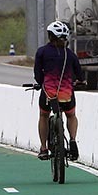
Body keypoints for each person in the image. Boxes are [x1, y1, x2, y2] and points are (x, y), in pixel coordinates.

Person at [33, 20, 85, 161]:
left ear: (50, 36)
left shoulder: (42, 52)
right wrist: (81, 81)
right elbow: (80, 76)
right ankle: (73, 140)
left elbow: (38, 75)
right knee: (71, 115)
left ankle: (44, 148)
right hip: (67, 94)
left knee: (44, 116)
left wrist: (40, 83)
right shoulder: (70, 55)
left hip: (48, 94)